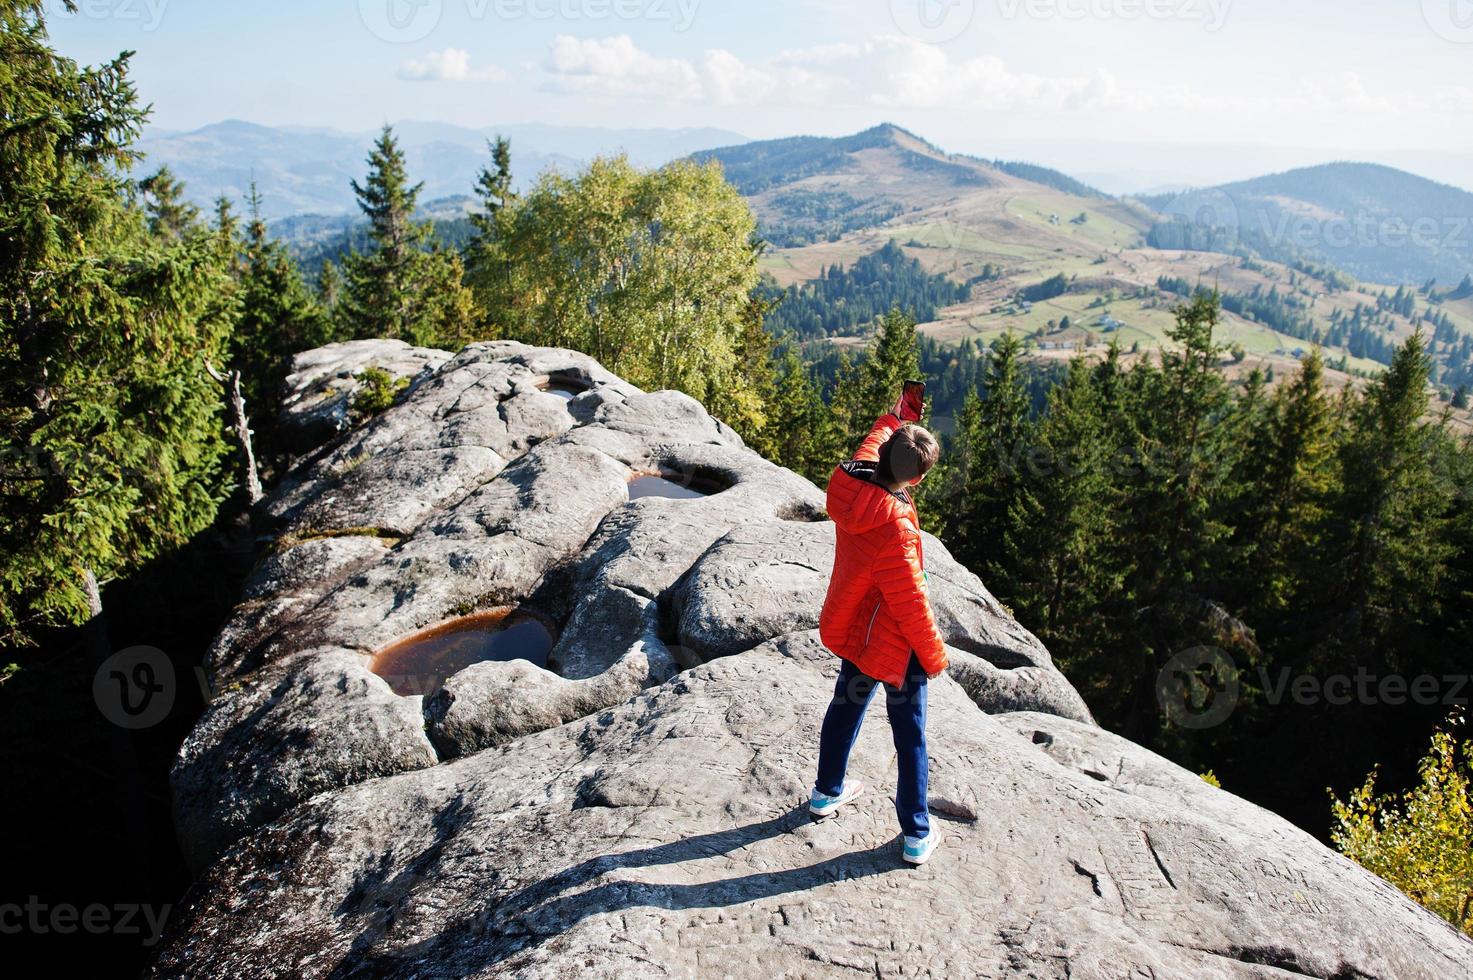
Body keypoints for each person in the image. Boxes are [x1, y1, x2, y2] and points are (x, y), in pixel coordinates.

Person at [811, 381, 948, 865]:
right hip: (894, 641)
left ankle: (827, 792)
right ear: (916, 480)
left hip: (856, 626)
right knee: (909, 732)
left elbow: (878, 433)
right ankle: (916, 834)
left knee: (845, 705)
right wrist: (933, 655)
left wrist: (902, 413)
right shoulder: (894, 526)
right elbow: (910, 600)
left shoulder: (852, 478)